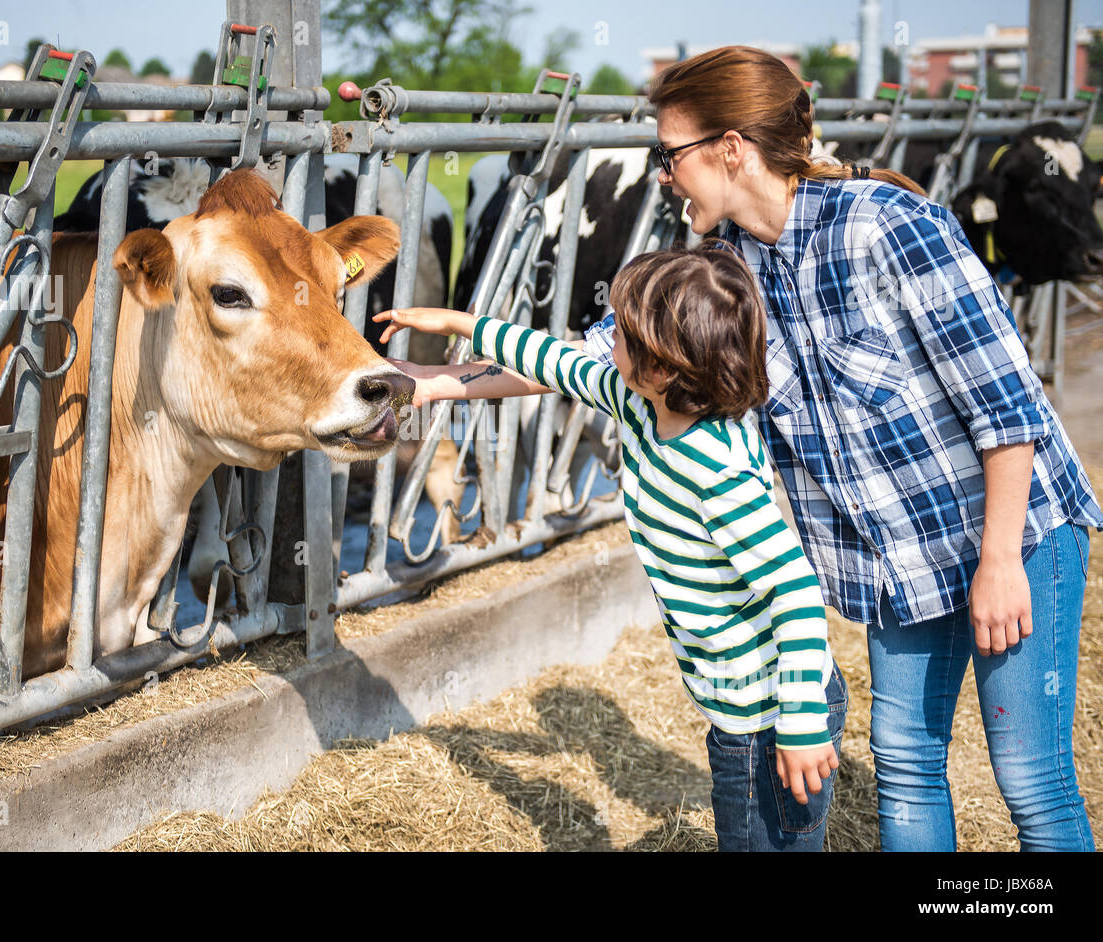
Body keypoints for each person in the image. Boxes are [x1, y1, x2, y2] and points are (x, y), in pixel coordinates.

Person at [395, 46, 1100, 852]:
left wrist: (1001, 558)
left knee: (1031, 781)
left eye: (671, 155)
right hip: (899, 553)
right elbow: (595, 353)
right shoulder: (724, 268)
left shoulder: (887, 226)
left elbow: (1006, 402)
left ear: (731, 148)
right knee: (904, 763)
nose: (663, 175)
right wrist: (439, 384)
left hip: (1015, 529)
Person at [376, 246, 849, 852]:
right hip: (742, 707)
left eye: (622, 333)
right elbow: (554, 362)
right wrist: (456, 336)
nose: (607, 340)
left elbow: (796, 591)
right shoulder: (637, 401)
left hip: (774, 714)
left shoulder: (718, 472)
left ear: (662, 366)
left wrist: (803, 722)